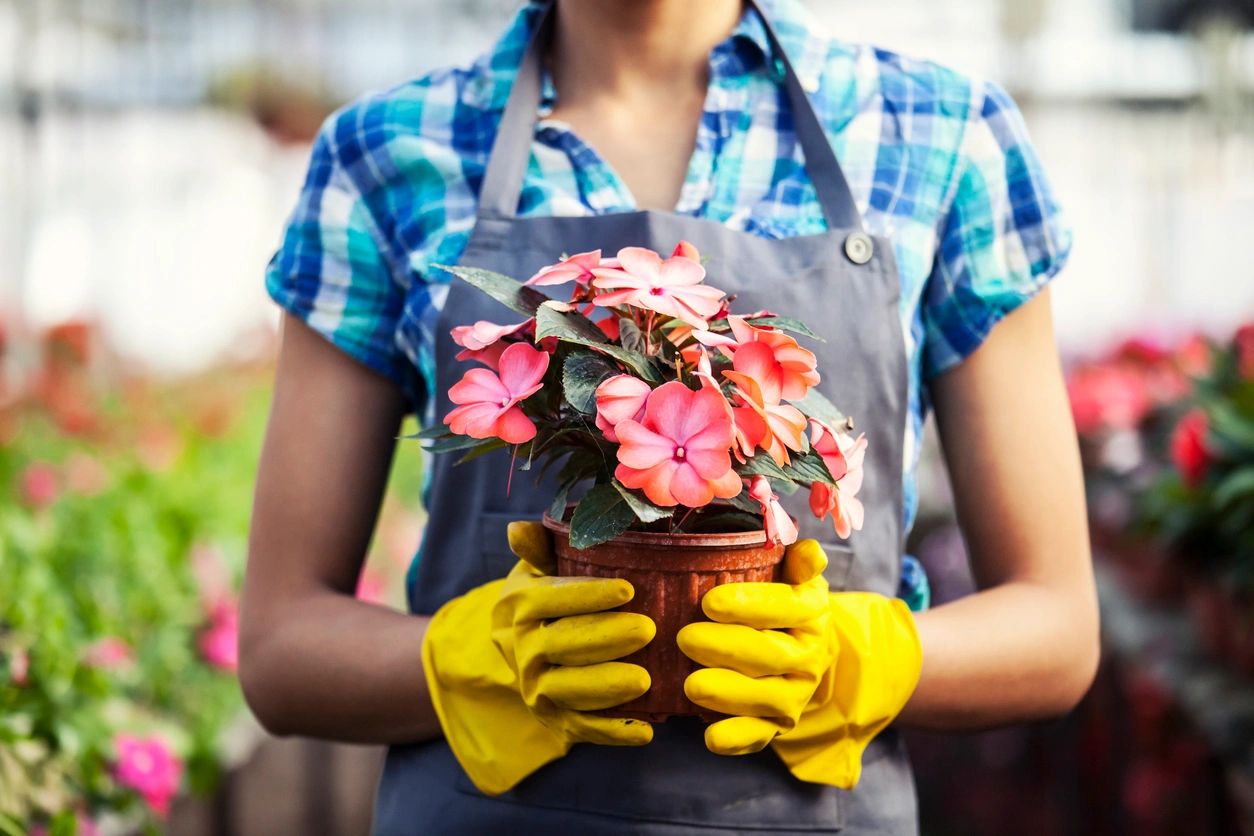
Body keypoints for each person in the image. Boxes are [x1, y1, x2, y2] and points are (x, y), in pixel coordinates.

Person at [240, 0, 1099, 832]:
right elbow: (282, 652)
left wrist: (855, 659)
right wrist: (477, 658)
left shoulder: (942, 134)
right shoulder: (383, 151)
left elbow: (1057, 631)